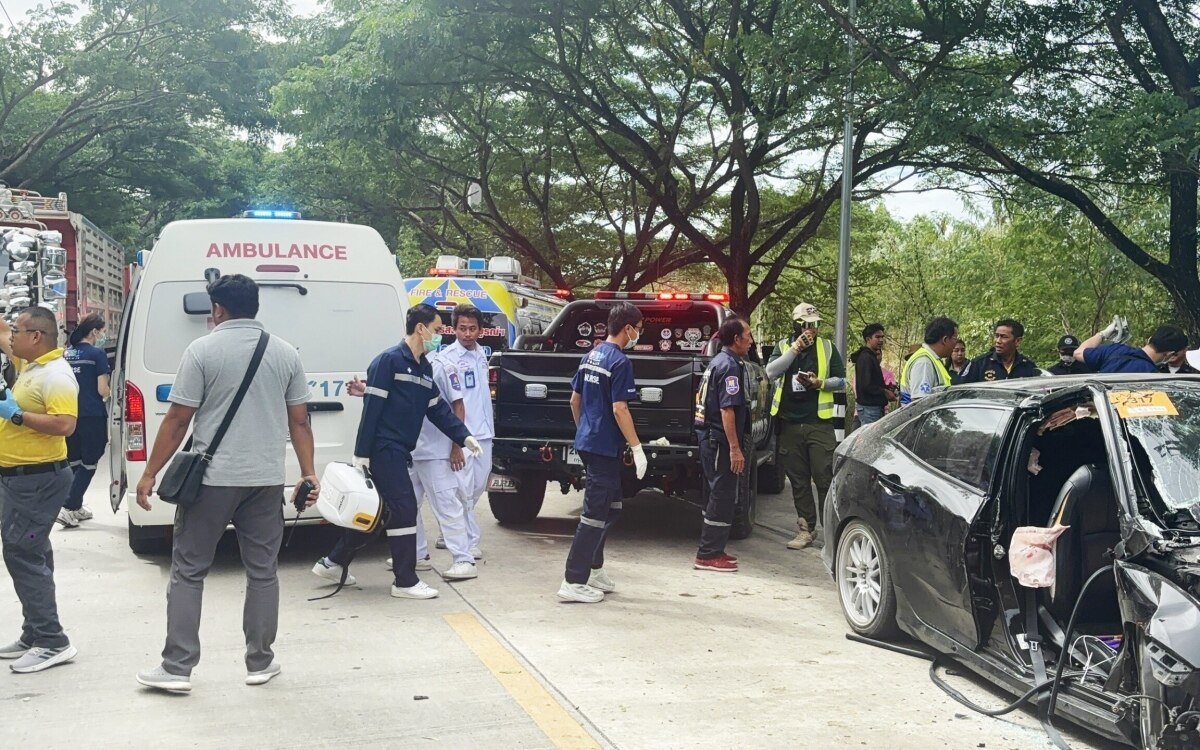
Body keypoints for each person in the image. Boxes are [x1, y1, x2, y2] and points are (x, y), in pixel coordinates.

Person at [133, 274, 319, 693]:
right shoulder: (285, 353)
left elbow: (179, 419)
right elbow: (300, 421)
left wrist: (149, 473)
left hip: (212, 482)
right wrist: (308, 473)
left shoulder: (202, 350)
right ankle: (260, 662)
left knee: (188, 571)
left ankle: (178, 667)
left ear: (217, 309)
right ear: (254, 306)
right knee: (263, 572)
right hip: (265, 481)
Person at [313, 304, 481, 601]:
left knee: (378, 512)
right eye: (438, 330)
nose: (439, 336)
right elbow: (372, 408)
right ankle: (405, 580)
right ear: (421, 328)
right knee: (403, 509)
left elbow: (438, 410)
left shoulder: (423, 367)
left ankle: (332, 563)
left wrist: (464, 436)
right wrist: (362, 453)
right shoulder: (388, 361)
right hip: (383, 447)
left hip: (400, 449)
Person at [0, 308, 79, 673]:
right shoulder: (30, 365)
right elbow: (1, 333)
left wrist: (16, 415)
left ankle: (52, 640)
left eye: (17, 330)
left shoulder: (56, 375)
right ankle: (35, 632)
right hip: (20, 478)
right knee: (32, 551)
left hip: (37, 480)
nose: (11, 336)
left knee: (22, 554)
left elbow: (65, 425)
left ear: (35, 336)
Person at [557, 302, 647, 603]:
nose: (639, 333)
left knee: (613, 507)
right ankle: (573, 580)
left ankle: (594, 570)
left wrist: (585, 429)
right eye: (639, 327)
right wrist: (637, 447)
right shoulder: (620, 362)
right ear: (628, 329)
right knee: (594, 514)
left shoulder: (590, 356)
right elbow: (620, 408)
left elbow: (574, 400)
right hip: (603, 448)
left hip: (590, 443)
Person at [766, 302, 847, 551]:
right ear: (797, 324)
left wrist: (820, 382)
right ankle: (806, 530)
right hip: (790, 423)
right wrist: (794, 349)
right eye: (807, 324)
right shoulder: (782, 346)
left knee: (824, 478)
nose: (811, 329)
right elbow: (770, 372)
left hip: (818, 424)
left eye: (815, 324)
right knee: (798, 480)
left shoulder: (826, 347)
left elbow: (842, 381)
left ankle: (831, 534)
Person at [406, 349, 477, 581]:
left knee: (447, 505)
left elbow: (458, 406)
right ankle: (417, 555)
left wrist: (457, 445)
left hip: (437, 450)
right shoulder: (407, 364)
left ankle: (463, 559)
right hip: (412, 448)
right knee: (407, 505)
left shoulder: (443, 366)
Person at [693, 317, 754, 572]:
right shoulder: (729, 366)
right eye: (748, 335)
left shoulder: (719, 361)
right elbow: (727, 410)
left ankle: (714, 549)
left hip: (710, 437)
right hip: (718, 440)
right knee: (722, 494)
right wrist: (735, 448)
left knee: (717, 493)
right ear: (736, 339)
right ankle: (708, 554)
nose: (751, 341)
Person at [439, 304, 493, 560]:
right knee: (463, 490)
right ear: (454, 329)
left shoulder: (482, 355)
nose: (467, 334)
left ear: (480, 330)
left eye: (472, 329)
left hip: (485, 434)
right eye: (462, 329)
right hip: (465, 435)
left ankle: (454, 528)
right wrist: (455, 442)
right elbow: (452, 402)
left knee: (477, 487)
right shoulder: (448, 358)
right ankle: (469, 542)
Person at [57, 314, 111, 527]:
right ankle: (69, 507)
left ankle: (75, 505)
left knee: (74, 461)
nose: (102, 335)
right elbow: (102, 389)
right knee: (90, 462)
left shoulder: (66, 354)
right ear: (94, 332)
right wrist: (112, 395)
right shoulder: (97, 354)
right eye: (102, 331)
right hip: (92, 415)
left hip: (69, 413)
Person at [1075, 323, 1188, 374]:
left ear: (1149, 340)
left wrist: (1103, 334)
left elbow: (1078, 353)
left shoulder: (1113, 350)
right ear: (1170, 354)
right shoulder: (1153, 377)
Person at [955, 319, 1040, 383]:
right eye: (996, 336)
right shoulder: (979, 364)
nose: (998, 341)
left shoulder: (1028, 367)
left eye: (1004, 337)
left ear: (1017, 341)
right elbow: (961, 391)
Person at [899, 317, 958, 406]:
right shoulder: (924, 362)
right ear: (945, 340)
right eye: (955, 338)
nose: (956, 343)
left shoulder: (933, 359)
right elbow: (920, 403)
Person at [851, 323, 890, 427]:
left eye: (882, 337)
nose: (881, 340)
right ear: (868, 339)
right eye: (877, 337)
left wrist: (887, 388)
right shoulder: (865, 358)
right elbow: (866, 385)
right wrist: (884, 391)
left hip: (875, 408)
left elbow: (873, 382)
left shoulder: (871, 357)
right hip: (869, 409)